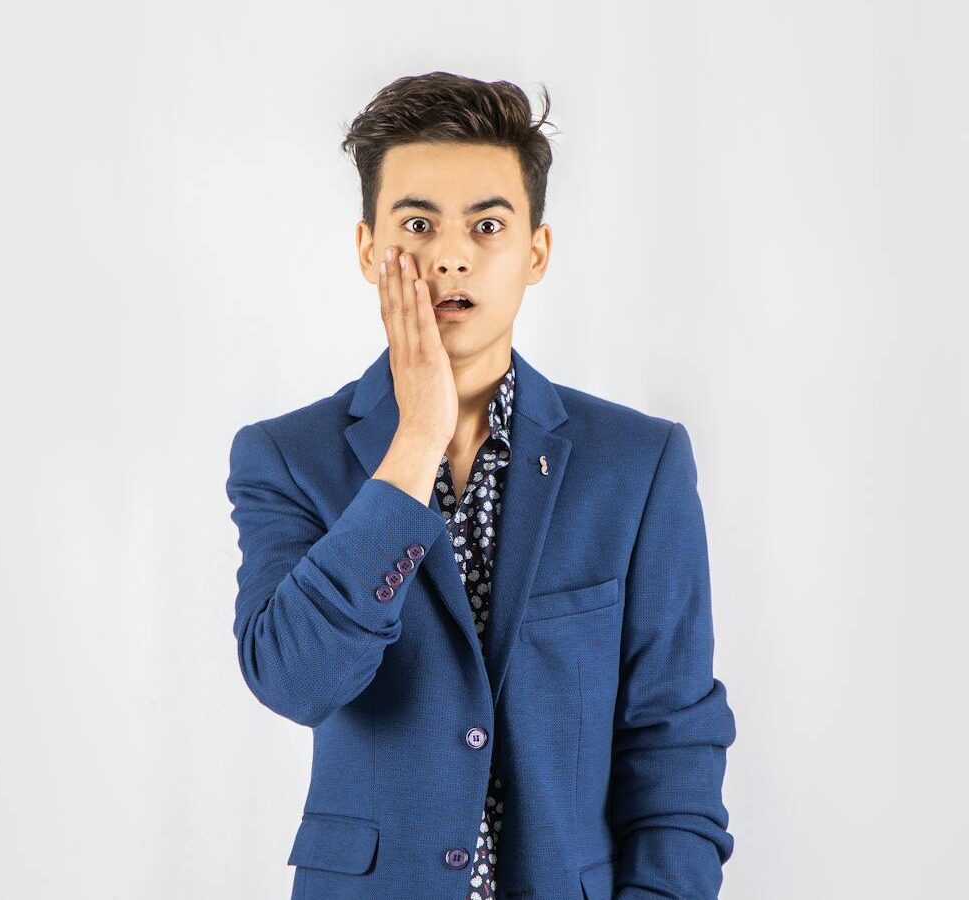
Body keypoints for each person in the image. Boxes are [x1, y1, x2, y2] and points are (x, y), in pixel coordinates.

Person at [225, 71, 736, 900]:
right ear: (368, 249)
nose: (451, 254)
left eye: (487, 224)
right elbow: (293, 679)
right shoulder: (288, 457)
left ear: (535, 251)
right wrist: (414, 443)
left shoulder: (637, 464)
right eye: (417, 223)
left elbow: (673, 738)